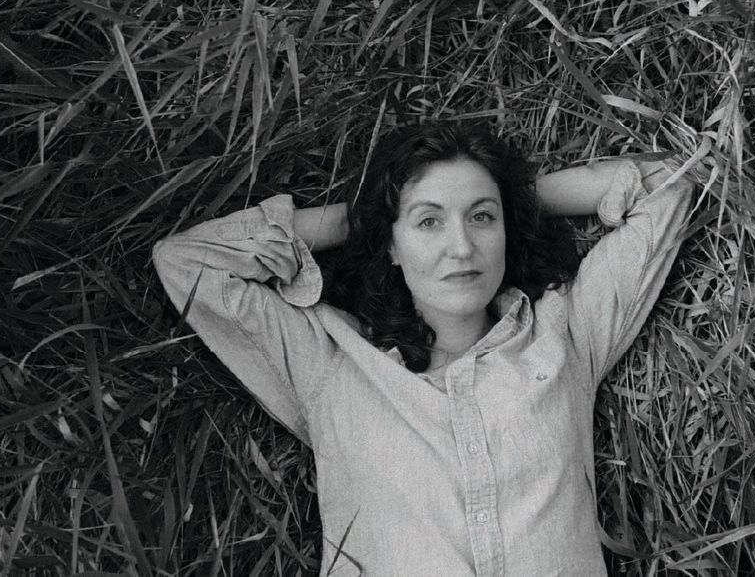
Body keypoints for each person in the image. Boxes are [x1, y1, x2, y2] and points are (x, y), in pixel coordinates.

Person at [152, 123, 694, 576]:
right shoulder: (331, 363)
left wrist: (519, 198)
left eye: (482, 217)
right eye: (429, 221)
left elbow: (668, 180)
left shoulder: (565, 335)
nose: (461, 246)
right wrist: (365, 216)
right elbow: (187, 260)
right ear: (392, 242)